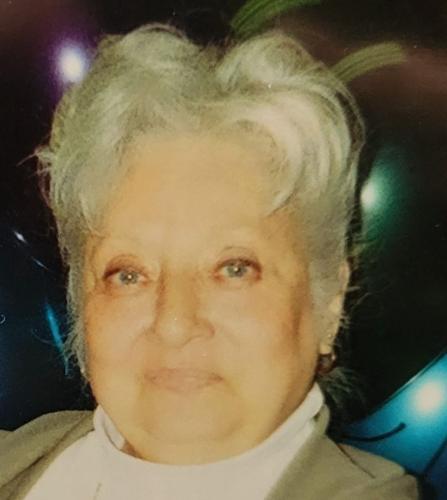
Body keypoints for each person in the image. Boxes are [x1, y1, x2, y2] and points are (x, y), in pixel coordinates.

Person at [0, 24, 420, 499]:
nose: (175, 323)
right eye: (129, 275)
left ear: (328, 302)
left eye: (234, 269)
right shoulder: (21, 458)